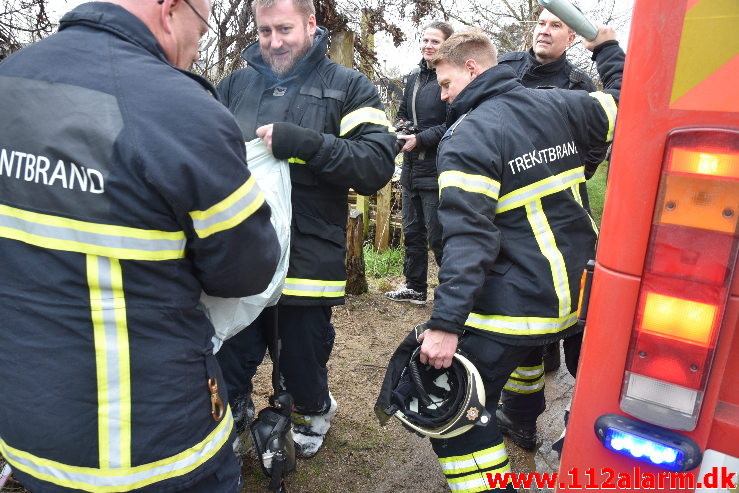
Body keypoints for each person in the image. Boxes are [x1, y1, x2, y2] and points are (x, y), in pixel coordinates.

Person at [0, 0, 281, 492]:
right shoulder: (179, 110)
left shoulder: (10, 80)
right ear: (172, 8)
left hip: (26, 428)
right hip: (152, 442)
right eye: (203, 24)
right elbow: (247, 270)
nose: (197, 48)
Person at [417, 26, 623, 491]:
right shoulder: (561, 104)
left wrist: (446, 324)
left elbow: (467, 242)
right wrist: (607, 49)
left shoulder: (466, 138)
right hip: (582, 289)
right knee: (574, 372)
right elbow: (624, 101)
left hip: (521, 302)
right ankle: (526, 420)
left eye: (446, 84)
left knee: (446, 405)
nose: (445, 98)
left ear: (472, 68)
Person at [215, 0, 396, 458]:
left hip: (308, 257)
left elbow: (376, 165)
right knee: (228, 353)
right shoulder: (233, 86)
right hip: (242, 254)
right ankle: (229, 417)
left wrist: (307, 144)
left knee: (301, 357)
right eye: (264, 31)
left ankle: (312, 413)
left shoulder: (348, 85)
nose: (274, 42)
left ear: (311, 24)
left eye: (285, 29)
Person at [494, 7, 607, 451]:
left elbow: (596, 146)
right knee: (523, 324)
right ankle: (520, 418)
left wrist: (559, 175)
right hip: (510, 214)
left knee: (581, 322)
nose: (544, 29)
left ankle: (580, 421)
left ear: (571, 38)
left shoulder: (580, 85)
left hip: (562, 214)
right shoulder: (505, 69)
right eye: (540, 23)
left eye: (555, 24)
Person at [384, 21, 453, 305]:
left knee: (438, 236)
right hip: (411, 167)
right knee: (412, 232)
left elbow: (452, 123)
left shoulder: (449, 77)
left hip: (436, 167)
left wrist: (421, 138)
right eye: (425, 40)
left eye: (434, 41)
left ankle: (451, 296)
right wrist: (400, 126)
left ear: (447, 45)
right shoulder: (414, 76)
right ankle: (415, 287)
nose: (427, 45)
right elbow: (402, 111)